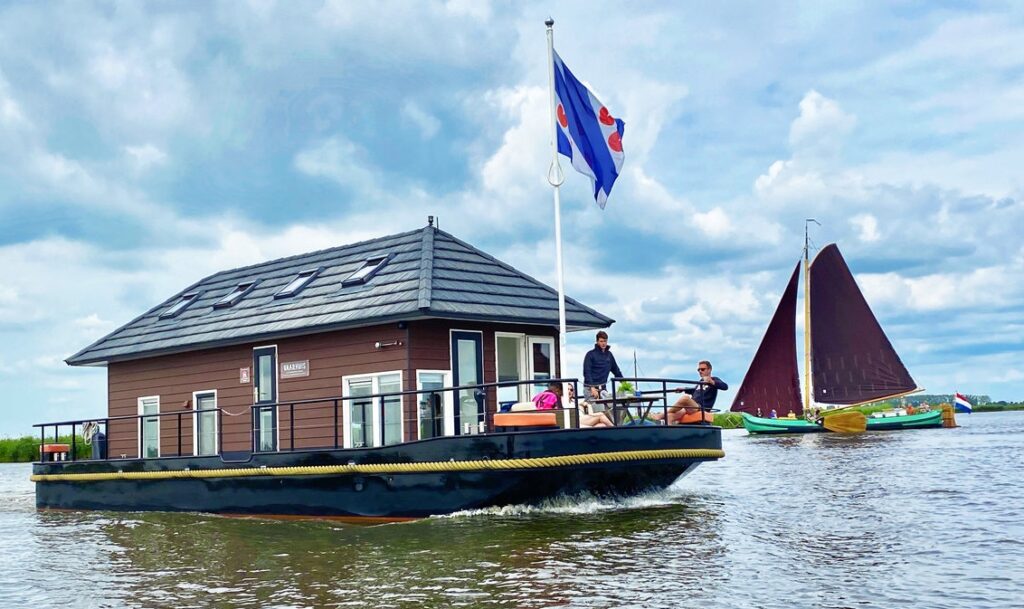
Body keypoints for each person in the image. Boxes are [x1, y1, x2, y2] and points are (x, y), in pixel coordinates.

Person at [652, 360, 728, 425]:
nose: (700, 371)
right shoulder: (700, 382)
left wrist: (711, 381)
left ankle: (662, 414)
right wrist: (684, 389)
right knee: (670, 416)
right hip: (692, 406)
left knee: (685, 399)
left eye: (702, 369)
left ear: (709, 369)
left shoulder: (714, 379)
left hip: (701, 407)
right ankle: (667, 433)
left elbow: (725, 386)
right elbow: (694, 391)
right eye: (699, 370)